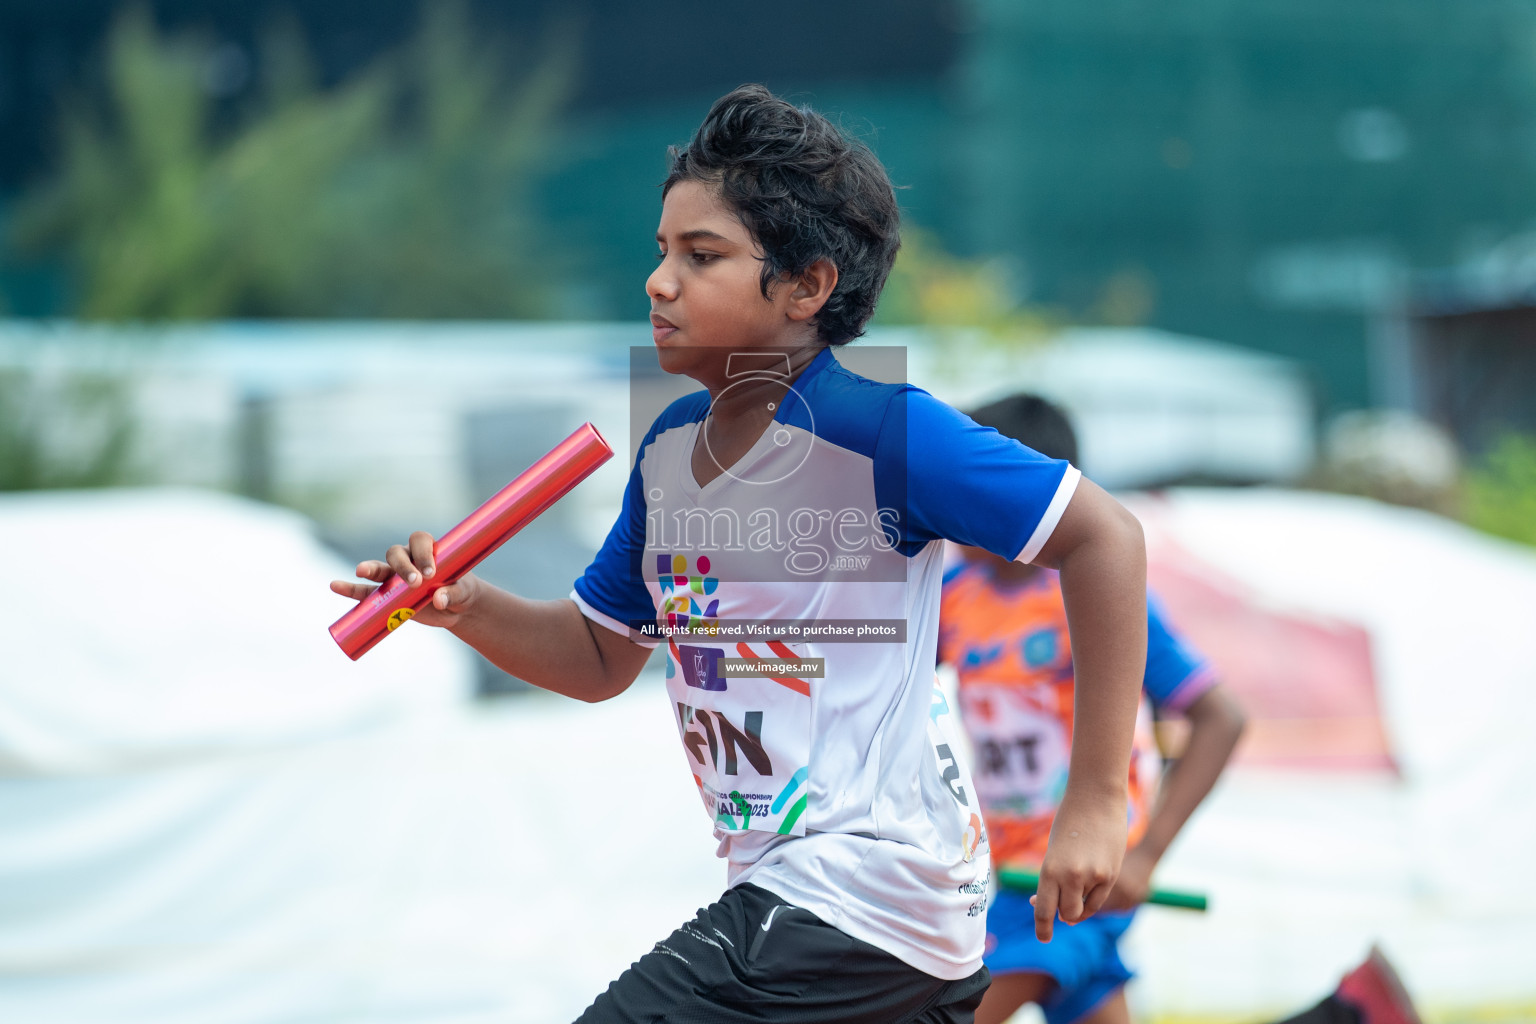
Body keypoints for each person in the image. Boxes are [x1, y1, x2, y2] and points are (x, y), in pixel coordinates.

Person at [331, 85, 1149, 1023]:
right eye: (662, 252)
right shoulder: (670, 447)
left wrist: (1095, 801)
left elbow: (1105, 538)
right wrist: (464, 604)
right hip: (833, 900)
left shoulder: (884, 431)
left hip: (859, 889)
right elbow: (601, 657)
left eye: (703, 256)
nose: (660, 281)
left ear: (807, 286)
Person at [937, 395, 1248, 1024]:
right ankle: (1355, 1010)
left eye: (960, 490)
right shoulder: (953, 596)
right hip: (1009, 873)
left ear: (1020, 495)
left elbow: (1221, 718)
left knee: (951, 1014)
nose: (946, 510)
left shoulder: (1097, 590)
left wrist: (1145, 856)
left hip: (1081, 877)